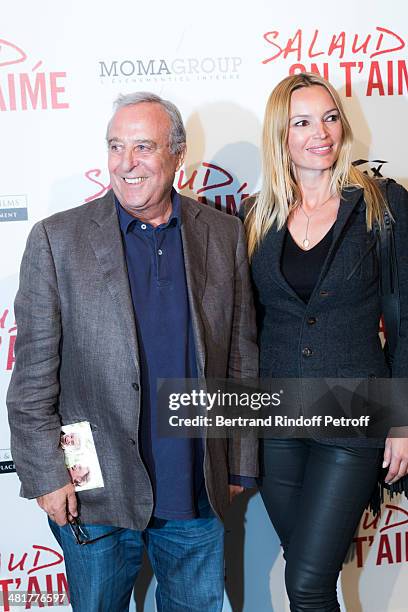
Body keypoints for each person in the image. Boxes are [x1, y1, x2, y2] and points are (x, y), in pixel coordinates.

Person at [7, 92, 258, 612]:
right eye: (116, 147)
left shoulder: (223, 234)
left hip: (196, 492)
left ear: (177, 154)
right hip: (94, 496)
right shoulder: (58, 239)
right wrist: (47, 479)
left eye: (143, 146)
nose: (126, 163)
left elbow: (240, 359)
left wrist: (239, 464)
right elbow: (31, 378)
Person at [243, 72, 408, 611]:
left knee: (306, 584)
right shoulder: (257, 217)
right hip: (278, 418)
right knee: (308, 574)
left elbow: (405, 319)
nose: (322, 132)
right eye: (303, 122)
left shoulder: (382, 205)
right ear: (280, 135)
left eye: (330, 117)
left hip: (355, 412)